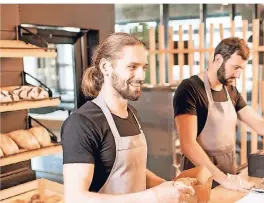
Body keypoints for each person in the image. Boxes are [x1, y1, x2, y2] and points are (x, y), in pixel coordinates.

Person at [61, 33, 196, 203]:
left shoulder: (132, 114)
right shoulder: (81, 123)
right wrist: (154, 196)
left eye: (143, 67)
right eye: (132, 67)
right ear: (106, 67)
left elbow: (134, 172)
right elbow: (75, 198)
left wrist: (168, 187)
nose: (141, 76)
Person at [173, 37, 264, 192]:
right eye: (235, 67)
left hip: (227, 174)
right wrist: (224, 179)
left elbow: (256, 122)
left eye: (241, 69)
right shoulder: (190, 89)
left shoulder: (230, 91)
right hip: (198, 178)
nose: (237, 75)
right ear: (218, 59)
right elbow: (188, 145)